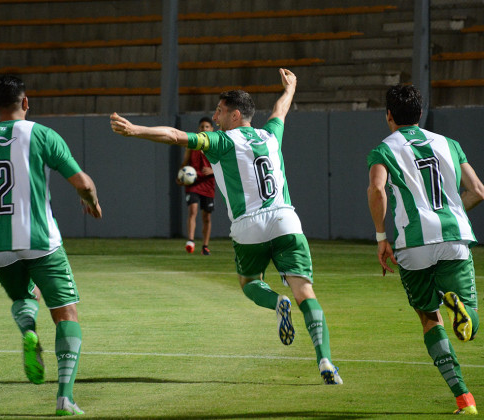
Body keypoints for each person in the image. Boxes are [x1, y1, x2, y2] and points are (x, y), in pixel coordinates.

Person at [110, 68, 343, 385]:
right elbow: (280, 110)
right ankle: (325, 360)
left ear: (235, 115)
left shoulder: (220, 141)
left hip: (249, 227)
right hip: (286, 220)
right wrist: (291, 88)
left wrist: (136, 130)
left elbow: (178, 137)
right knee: (306, 293)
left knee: (248, 282)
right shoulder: (270, 135)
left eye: (219, 111)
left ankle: (277, 303)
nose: (215, 116)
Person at [0, 75, 102, 416]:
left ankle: (28, 327)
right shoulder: (41, 134)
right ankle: (65, 399)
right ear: (25, 102)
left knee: (25, 297)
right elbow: (82, 182)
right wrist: (91, 200)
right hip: (41, 240)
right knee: (66, 315)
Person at [367, 84, 484, 415]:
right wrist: (450, 212)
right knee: (469, 324)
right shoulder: (449, 144)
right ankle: (461, 309)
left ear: (388, 116)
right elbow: (477, 190)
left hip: (413, 244)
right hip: (453, 237)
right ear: (419, 114)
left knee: (428, 317)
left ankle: (464, 398)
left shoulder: (384, 149)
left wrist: (381, 237)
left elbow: (377, 190)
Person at [177, 117, 216, 255]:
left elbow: (224, 165)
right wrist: (181, 176)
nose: (204, 129)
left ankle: (205, 246)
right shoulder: (192, 145)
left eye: (207, 127)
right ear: (198, 129)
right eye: (202, 127)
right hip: (193, 183)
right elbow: (185, 162)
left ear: (212, 129)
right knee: (192, 210)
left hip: (208, 184)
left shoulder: (215, 145)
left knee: (206, 216)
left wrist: (212, 170)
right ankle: (191, 241)